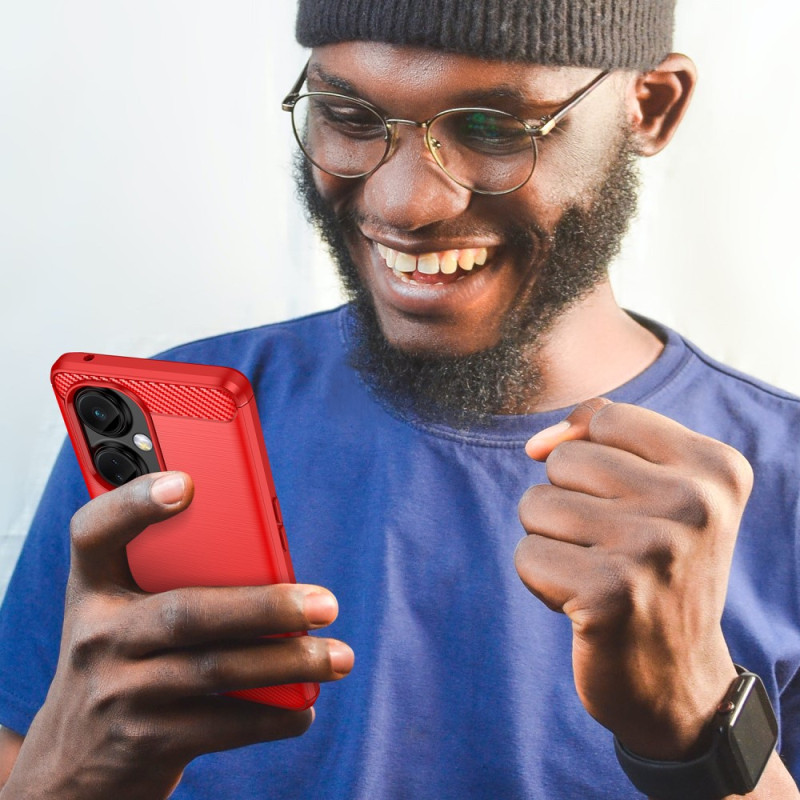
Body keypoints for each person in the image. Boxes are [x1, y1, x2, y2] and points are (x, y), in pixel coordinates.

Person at [0, 0, 798, 797]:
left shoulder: (782, 479)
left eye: (493, 128)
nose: (405, 204)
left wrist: (698, 725)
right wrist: (66, 774)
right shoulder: (165, 429)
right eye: (349, 116)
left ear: (649, 107)